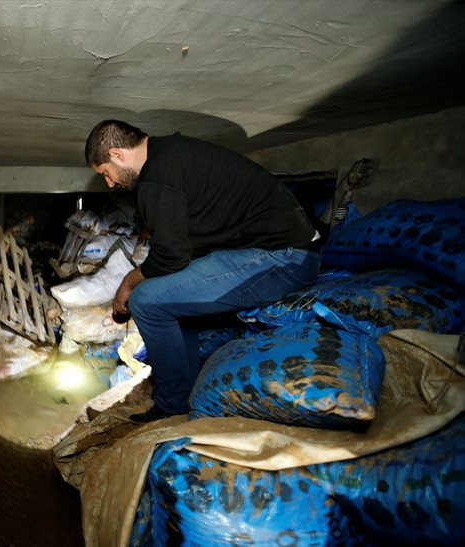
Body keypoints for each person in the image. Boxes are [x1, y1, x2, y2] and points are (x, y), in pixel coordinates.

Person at [84, 120, 321, 422]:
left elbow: (170, 257)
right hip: (273, 251)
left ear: (117, 154)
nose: (110, 182)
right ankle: (185, 389)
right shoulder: (170, 152)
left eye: (106, 172)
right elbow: (179, 250)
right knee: (166, 297)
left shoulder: (158, 175)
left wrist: (127, 283)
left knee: (145, 301)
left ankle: (172, 407)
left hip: (283, 259)